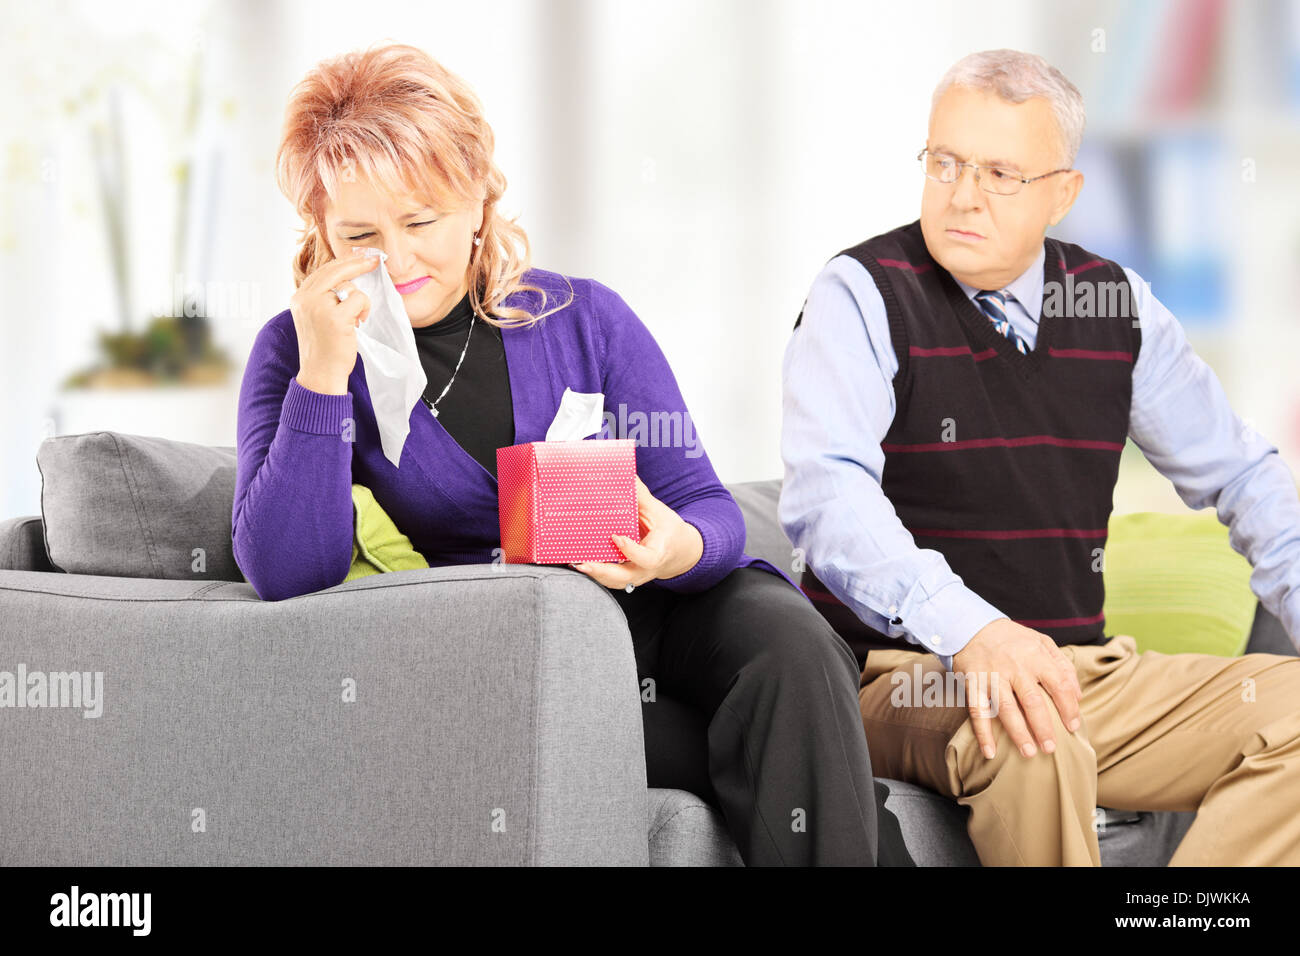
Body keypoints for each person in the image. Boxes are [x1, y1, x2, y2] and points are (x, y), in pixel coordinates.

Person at [233, 41, 907, 866]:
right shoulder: (297, 352)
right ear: (321, 231)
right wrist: (325, 372)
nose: (397, 261)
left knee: (793, 653)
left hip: (670, 609)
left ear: (478, 201)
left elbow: (708, 509)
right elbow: (286, 570)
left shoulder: (581, 317)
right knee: (755, 739)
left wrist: (674, 547)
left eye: (420, 222)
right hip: (530, 655)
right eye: (360, 233)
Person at [780, 48, 1300, 866]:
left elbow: (1242, 475)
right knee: (1033, 731)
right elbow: (828, 501)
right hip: (903, 680)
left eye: (999, 173)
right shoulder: (862, 293)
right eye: (945, 162)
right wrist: (975, 632)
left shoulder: (1115, 306)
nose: (962, 195)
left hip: (1076, 673)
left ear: (1064, 193)